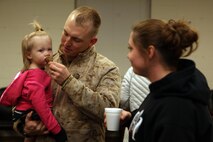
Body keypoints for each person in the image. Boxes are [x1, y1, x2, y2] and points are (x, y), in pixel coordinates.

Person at [18, 6, 121, 142]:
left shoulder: (108, 69)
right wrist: (23, 126)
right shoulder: (45, 61)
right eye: (65, 33)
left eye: (76, 39)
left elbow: (108, 112)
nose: (67, 42)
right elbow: (21, 100)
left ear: (92, 41)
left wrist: (68, 82)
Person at [118, 19, 213, 142]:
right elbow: (154, 122)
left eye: (131, 48)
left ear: (150, 52)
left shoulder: (177, 108)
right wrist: (131, 118)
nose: (128, 55)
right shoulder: (163, 90)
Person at [0, 21, 67, 142]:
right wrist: (57, 130)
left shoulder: (40, 71)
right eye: (41, 50)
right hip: (28, 115)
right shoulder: (35, 78)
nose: (47, 53)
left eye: (49, 49)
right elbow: (41, 106)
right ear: (29, 55)